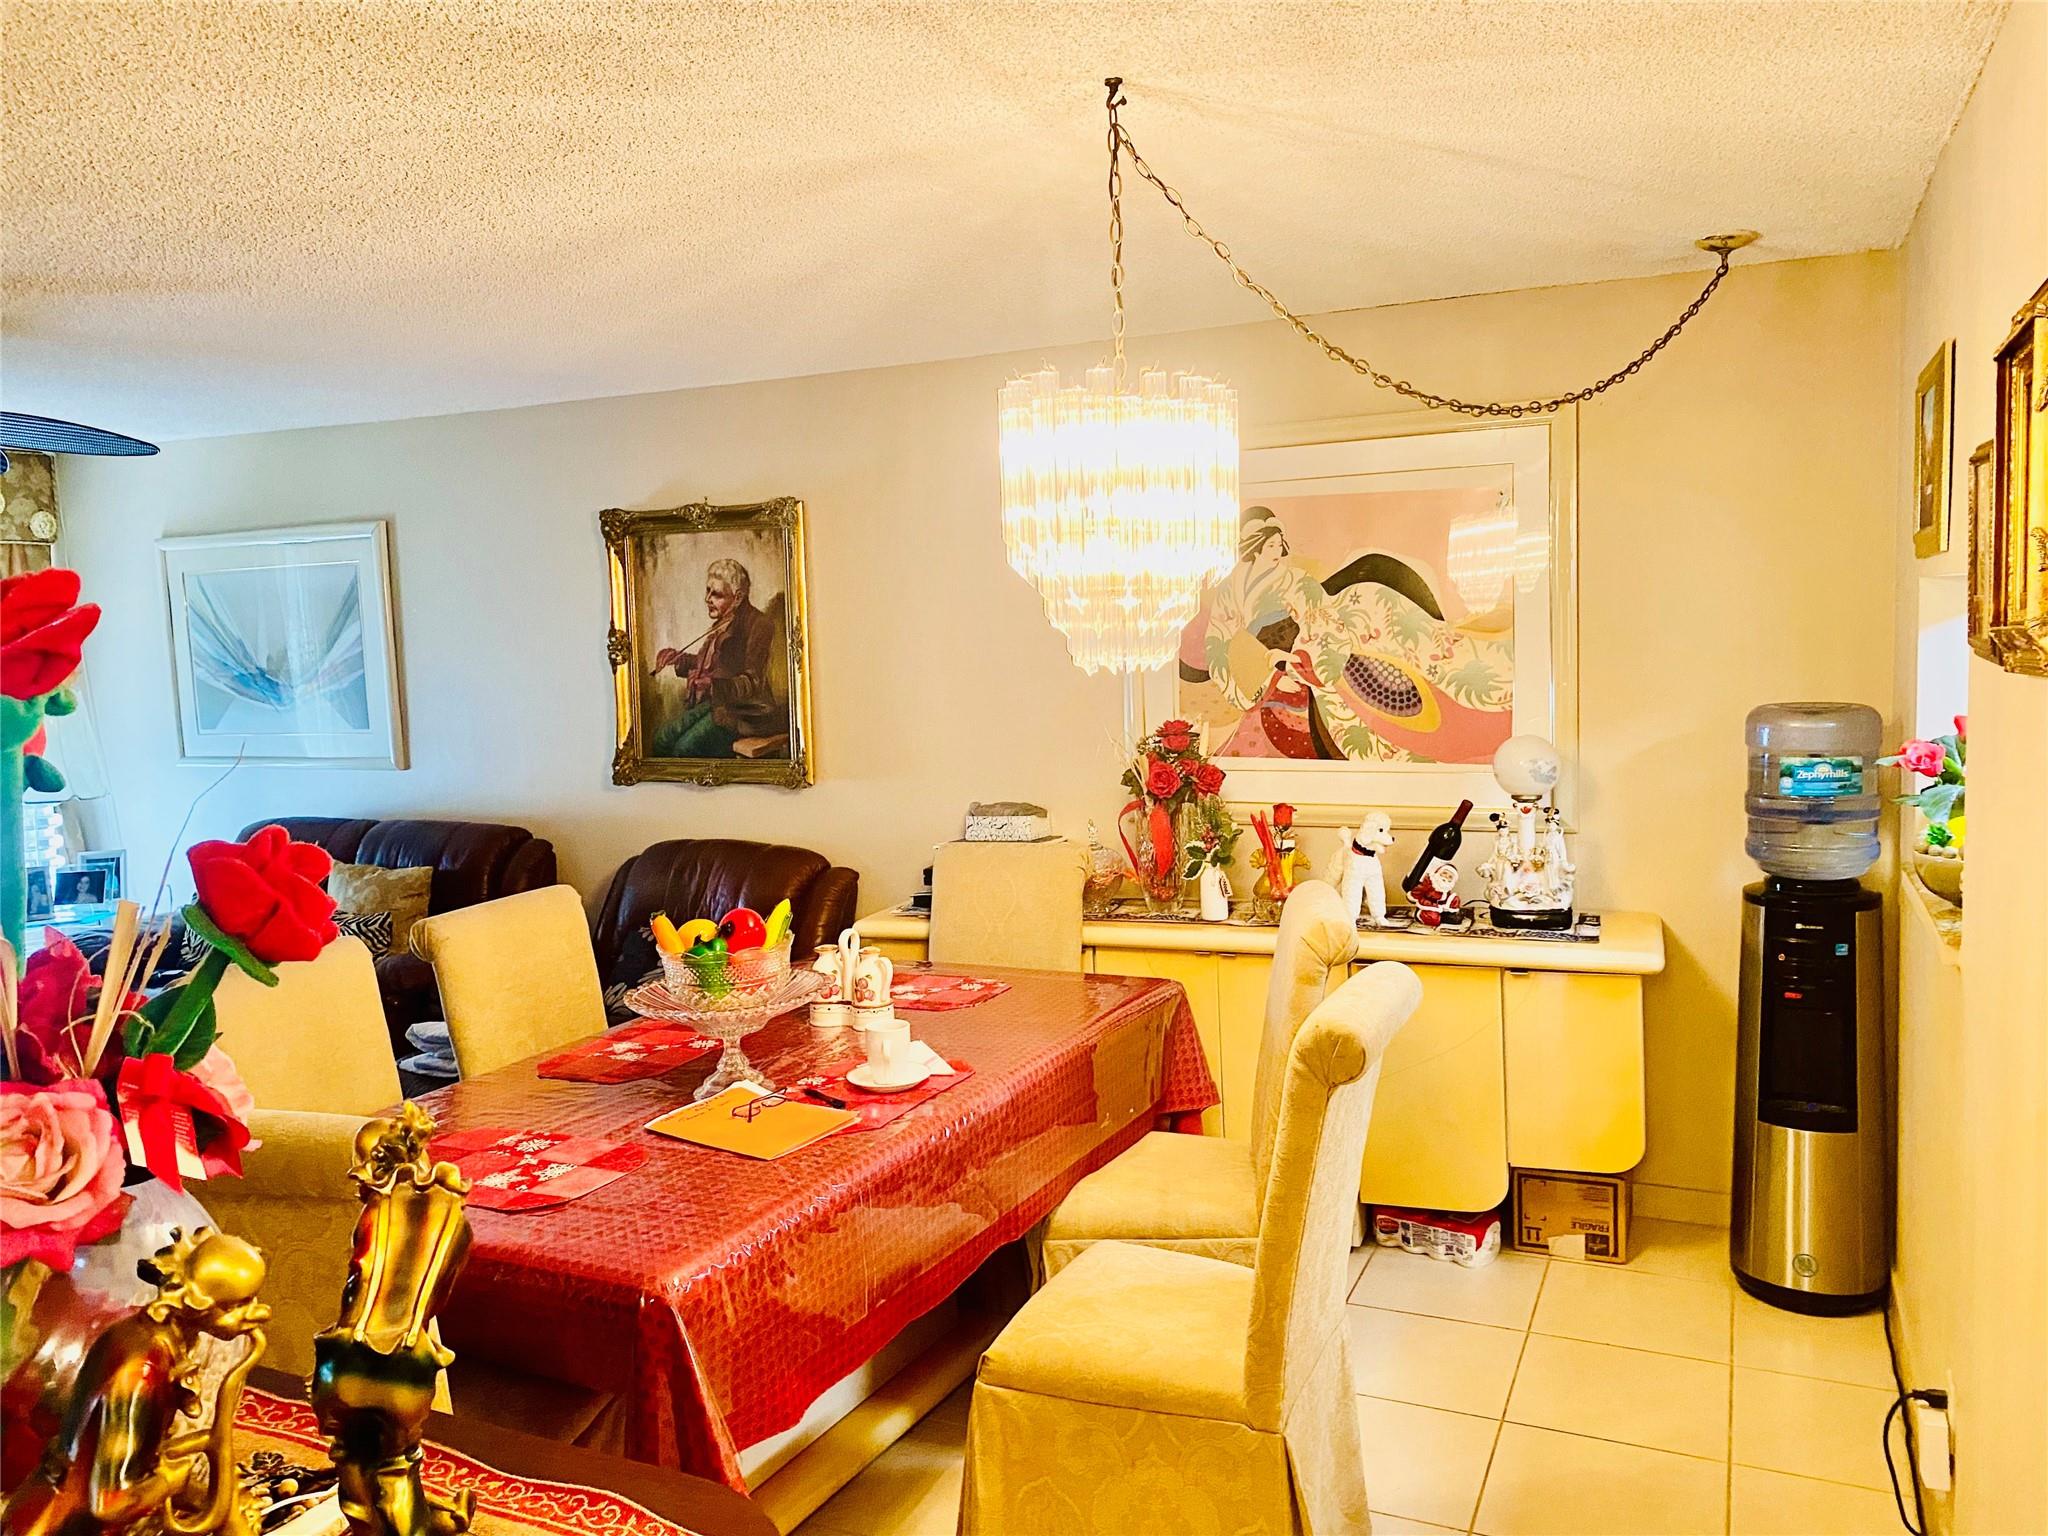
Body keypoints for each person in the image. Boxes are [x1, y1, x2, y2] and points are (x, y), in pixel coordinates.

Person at [649, 557, 780, 758]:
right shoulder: (722, 623)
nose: (707, 599)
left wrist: (712, 685)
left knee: (684, 749)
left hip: (745, 713)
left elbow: (752, 682)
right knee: (661, 739)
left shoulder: (759, 624)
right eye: (708, 591)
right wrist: (678, 658)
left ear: (738, 597)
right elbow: (709, 663)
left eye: (716, 594)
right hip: (717, 705)